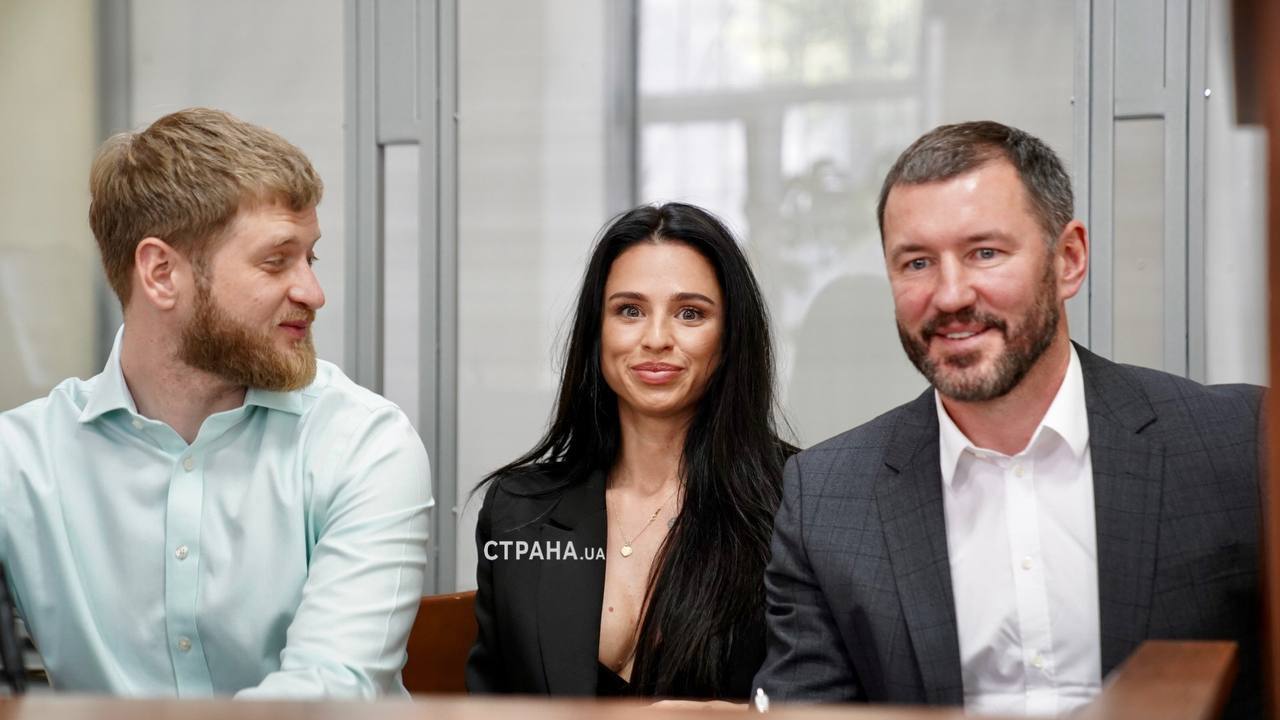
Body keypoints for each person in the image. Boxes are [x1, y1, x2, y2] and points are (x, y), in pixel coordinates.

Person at [753, 121, 1262, 717]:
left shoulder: (1239, 441)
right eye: (916, 263)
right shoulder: (828, 500)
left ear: (1068, 259)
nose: (950, 295)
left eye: (985, 253)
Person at [0, 108, 433, 698]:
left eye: (310, 258)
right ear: (161, 273)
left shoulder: (362, 444)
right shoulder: (20, 464)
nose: (313, 293)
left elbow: (328, 691)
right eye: (276, 261)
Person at [465, 202, 796, 699]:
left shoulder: (799, 503)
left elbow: (834, 692)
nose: (656, 338)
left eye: (690, 313)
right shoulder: (518, 509)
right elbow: (491, 701)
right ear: (596, 331)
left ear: (730, 337)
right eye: (629, 310)